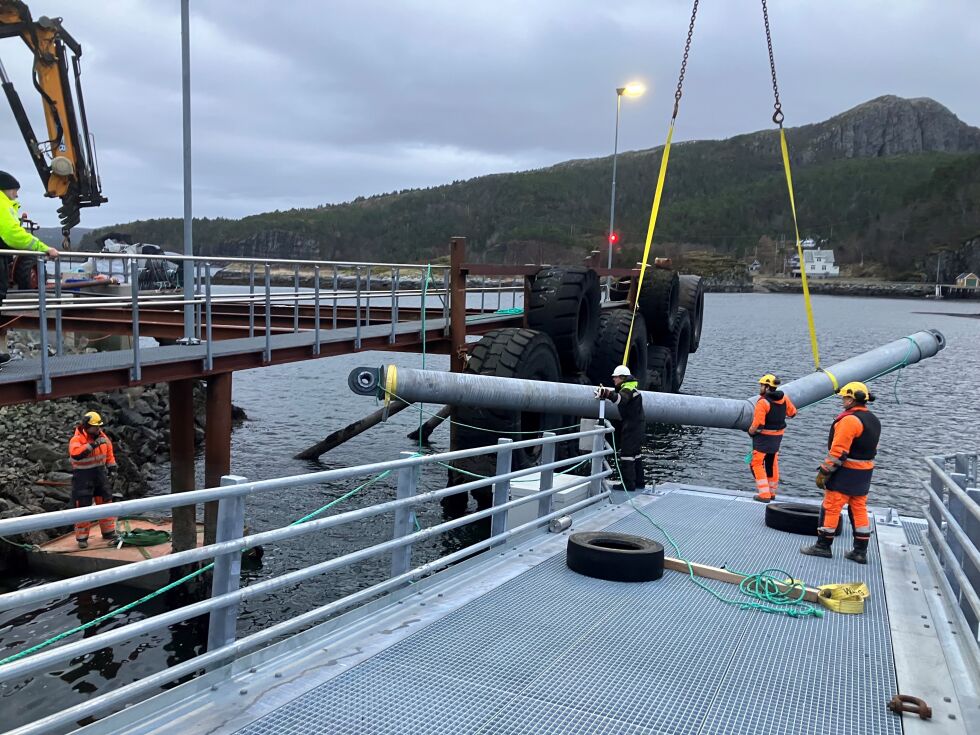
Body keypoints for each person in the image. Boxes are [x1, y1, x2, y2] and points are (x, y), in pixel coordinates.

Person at [800, 382, 880, 564]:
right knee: (859, 509)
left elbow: (838, 452)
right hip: (864, 473)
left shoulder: (850, 420)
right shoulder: (873, 420)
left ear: (852, 398)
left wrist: (824, 471)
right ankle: (860, 552)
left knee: (831, 507)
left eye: (844, 397)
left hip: (846, 473)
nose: (843, 400)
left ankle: (823, 546)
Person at [0, 170, 60, 365]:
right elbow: (13, 234)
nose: (16, 195)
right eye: (14, 191)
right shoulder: (2, 204)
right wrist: (43, 248)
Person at [68, 411, 118, 548]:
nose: (98, 429)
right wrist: (92, 445)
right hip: (83, 477)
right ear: (86, 426)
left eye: (99, 427)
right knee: (83, 506)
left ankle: (108, 532)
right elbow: (76, 454)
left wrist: (112, 468)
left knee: (106, 502)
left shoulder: (103, 437)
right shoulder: (76, 440)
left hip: (100, 475)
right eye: (95, 427)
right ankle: (82, 538)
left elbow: (109, 453)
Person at [748, 374, 797, 503]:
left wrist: (751, 432)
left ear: (767, 387)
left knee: (756, 464)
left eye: (761, 385)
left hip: (764, 438)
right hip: (778, 437)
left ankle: (764, 495)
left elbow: (758, 425)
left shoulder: (762, 402)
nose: (760, 388)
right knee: (771, 462)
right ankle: (772, 492)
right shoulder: (784, 398)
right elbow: (792, 413)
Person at [596, 364, 645, 492]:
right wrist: (607, 394)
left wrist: (605, 393)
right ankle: (639, 482)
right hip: (637, 425)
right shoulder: (631, 386)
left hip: (631, 426)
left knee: (627, 455)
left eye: (616, 377)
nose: (613, 379)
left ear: (622, 378)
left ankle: (628, 485)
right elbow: (619, 395)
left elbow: (621, 399)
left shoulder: (628, 389)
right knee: (636, 454)